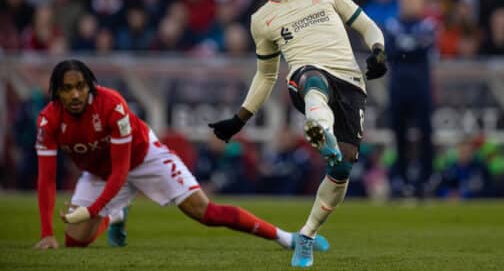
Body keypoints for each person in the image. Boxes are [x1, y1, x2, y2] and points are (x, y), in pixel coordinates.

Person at [209, 0, 387, 267]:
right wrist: (240, 118)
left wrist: (378, 51)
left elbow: (367, 25)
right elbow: (265, 76)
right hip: (305, 78)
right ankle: (322, 131)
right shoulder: (262, 19)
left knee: (343, 167)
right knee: (311, 78)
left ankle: (305, 235)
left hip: (351, 85)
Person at [33, 59, 329, 253]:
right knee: (74, 243)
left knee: (206, 213)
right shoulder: (48, 122)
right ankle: (114, 215)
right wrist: (48, 233)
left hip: (144, 157)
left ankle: (287, 238)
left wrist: (92, 208)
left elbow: (121, 171)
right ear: (56, 93)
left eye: (80, 87)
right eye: (67, 89)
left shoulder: (112, 105)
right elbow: (45, 178)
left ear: (91, 87)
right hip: (99, 175)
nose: (75, 95)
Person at [382, 0, 435, 197]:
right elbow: (392, 50)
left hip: (421, 89)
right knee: (399, 136)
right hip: (398, 89)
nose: (409, 2)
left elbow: (423, 48)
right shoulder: (391, 24)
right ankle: (401, 180)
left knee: (426, 135)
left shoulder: (428, 25)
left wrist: (406, 47)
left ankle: (426, 180)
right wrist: (411, 46)